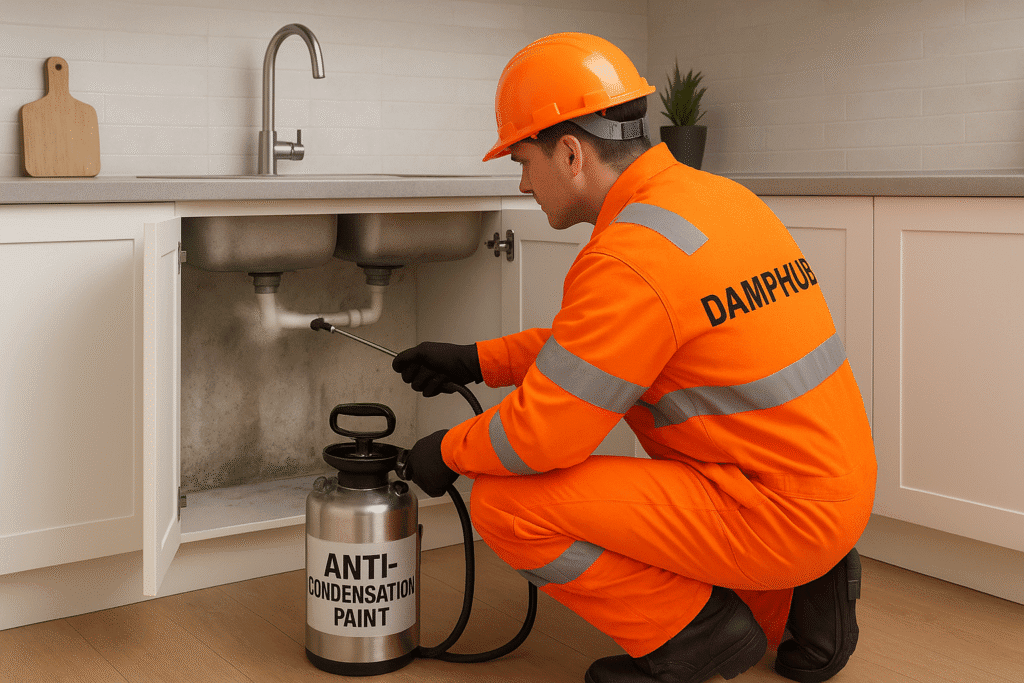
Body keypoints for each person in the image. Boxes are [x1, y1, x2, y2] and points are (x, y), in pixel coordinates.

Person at [393, 32, 876, 683]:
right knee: (743, 599)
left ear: (569, 153)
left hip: (774, 509)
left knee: (507, 504)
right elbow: (605, 350)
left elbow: (544, 436)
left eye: (522, 159)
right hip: (829, 485)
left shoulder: (630, 257)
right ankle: (807, 585)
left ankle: (696, 635)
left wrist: (447, 451)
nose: (521, 180)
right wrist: (478, 359)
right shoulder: (716, 200)